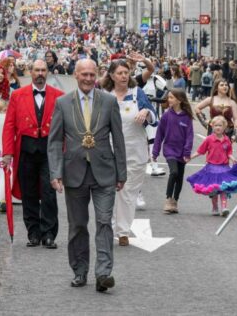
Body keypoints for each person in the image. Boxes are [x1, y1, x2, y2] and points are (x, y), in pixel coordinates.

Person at [47, 59, 126, 293]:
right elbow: (54, 142)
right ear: (76, 75)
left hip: (104, 172)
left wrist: (121, 173)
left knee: (104, 223)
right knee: (78, 225)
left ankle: (103, 273)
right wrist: (55, 172)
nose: (89, 79)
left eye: (93, 74)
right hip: (74, 173)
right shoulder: (62, 103)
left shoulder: (109, 102)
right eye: (84, 75)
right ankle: (79, 271)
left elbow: (119, 140)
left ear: (98, 75)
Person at [2, 59, 63, 248]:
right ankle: (33, 233)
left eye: (43, 70)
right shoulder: (17, 95)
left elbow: (65, 127)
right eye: (37, 70)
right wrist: (7, 152)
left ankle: (49, 234)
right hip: (26, 149)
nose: (40, 73)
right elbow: (9, 125)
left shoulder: (59, 96)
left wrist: (65, 154)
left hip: (49, 150)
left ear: (48, 73)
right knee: (29, 194)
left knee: (48, 192)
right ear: (31, 72)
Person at [102, 59, 157, 246]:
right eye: (119, 73)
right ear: (111, 76)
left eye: (126, 72)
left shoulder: (137, 93)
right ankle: (108, 227)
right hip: (109, 150)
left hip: (135, 150)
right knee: (110, 190)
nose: (124, 76)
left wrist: (145, 113)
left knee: (128, 192)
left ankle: (123, 230)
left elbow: (153, 116)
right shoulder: (104, 95)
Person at [186, 116, 237, 215]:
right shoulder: (209, 139)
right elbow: (201, 151)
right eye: (216, 125)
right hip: (211, 168)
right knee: (214, 190)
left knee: (223, 188)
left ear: (224, 127)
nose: (218, 127)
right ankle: (215, 207)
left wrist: (233, 158)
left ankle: (224, 207)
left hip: (224, 168)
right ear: (212, 126)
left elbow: (228, 152)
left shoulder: (226, 140)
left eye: (220, 125)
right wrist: (191, 157)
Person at [152, 89, 195, 214]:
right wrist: (155, 152)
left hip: (182, 152)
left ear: (179, 100)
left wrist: (187, 152)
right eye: (168, 97)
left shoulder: (187, 117)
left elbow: (189, 136)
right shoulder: (166, 115)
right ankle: (168, 199)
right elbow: (159, 134)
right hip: (170, 149)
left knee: (180, 177)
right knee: (174, 172)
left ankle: (175, 201)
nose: (168, 100)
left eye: (171, 97)